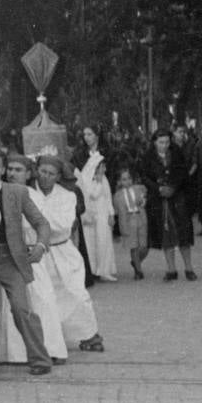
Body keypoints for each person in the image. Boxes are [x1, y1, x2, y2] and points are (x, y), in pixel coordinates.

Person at [0, 150, 53, 376]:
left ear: (3, 170)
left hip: (11, 259)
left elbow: (42, 223)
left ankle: (40, 359)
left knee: (22, 309)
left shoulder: (16, 192)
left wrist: (40, 245)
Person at [33, 156, 104, 353]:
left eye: (51, 173)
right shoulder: (29, 193)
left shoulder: (67, 196)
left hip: (62, 250)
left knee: (76, 293)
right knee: (46, 297)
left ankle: (89, 333)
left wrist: (37, 220)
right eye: (43, 172)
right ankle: (51, 339)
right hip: (39, 251)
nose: (46, 177)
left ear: (58, 176)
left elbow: (63, 224)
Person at [139, 128, 197, 281]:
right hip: (159, 200)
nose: (164, 145)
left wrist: (173, 187)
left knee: (183, 234)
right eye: (161, 142)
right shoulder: (147, 157)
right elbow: (144, 177)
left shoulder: (177, 154)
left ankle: (189, 268)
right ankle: (171, 269)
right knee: (166, 236)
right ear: (154, 142)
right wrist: (158, 188)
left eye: (166, 142)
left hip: (178, 199)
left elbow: (183, 174)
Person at [75, 126, 117, 282]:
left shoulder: (104, 178)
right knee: (93, 241)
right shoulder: (93, 179)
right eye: (84, 134)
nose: (86, 137)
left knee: (105, 241)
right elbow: (92, 193)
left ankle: (105, 269)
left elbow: (108, 197)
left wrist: (112, 213)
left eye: (90, 134)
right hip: (94, 212)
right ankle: (94, 269)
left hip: (104, 212)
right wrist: (97, 181)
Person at [111, 169, 149, 279]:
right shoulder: (117, 196)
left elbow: (144, 200)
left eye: (129, 179)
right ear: (119, 181)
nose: (127, 182)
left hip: (140, 217)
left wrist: (143, 201)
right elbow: (116, 211)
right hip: (127, 219)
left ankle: (136, 261)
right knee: (133, 246)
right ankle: (138, 271)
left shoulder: (139, 189)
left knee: (144, 246)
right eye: (124, 179)